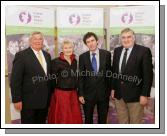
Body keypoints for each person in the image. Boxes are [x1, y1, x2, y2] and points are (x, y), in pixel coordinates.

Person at [111, 28, 153, 124]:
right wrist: (113, 88)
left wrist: (145, 94)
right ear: (121, 39)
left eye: (129, 37)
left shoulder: (144, 51)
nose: (126, 40)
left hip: (136, 97)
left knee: (135, 124)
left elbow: (148, 75)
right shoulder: (117, 51)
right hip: (119, 96)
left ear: (134, 38)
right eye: (123, 38)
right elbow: (115, 71)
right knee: (122, 123)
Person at [10, 31, 51, 124]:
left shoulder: (47, 55)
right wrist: (16, 99)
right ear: (30, 41)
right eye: (35, 39)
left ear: (43, 41)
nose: (38, 41)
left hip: (44, 101)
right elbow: (15, 80)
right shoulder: (21, 56)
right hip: (28, 102)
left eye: (40, 39)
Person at [78, 32, 112, 124]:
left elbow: (110, 74)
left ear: (97, 41)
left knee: (102, 120)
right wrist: (80, 94)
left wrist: (110, 90)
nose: (91, 43)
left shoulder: (106, 54)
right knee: (88, 120)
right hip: (88, 95)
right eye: (88, 42)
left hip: (103, 94)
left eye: (92, 40)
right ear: (86, 44)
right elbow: (81, 76)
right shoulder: (82, 57)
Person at [48, 39, 83, 124]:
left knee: (73, 117)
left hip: (73, 93)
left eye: (70, 47)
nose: (68, 50)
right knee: (63, 117)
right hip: (61, 94)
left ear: (73, 48)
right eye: (66, 48)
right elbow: (52, 78)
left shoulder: (74, 61)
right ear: (62, 49)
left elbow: (75, 76)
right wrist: (54, 93)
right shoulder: (56, 62)